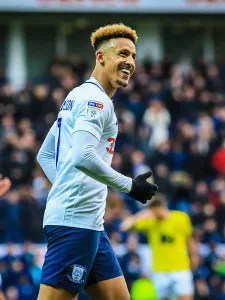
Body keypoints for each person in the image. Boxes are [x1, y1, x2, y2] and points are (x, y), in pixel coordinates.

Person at [36, 23, 158, 300]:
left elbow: (45, 154)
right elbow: (83, 156)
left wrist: (67, 187)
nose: (130, 62)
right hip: (75, 224)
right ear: (101, 58)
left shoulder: (76, 95)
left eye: (133, 57)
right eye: (123, 54)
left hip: (89, 223)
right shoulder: (97, 101)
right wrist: (129, 186)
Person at [121, 194, 199, 300]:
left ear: (163, 207)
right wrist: (143, 214)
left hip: (181, 267)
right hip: (160, 271)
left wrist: (194, 256)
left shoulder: (180, 217)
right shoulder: (150, 222)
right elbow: (124, 227)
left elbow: (189, 239)